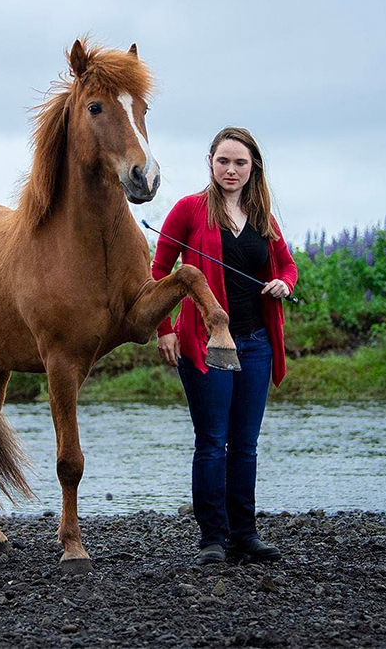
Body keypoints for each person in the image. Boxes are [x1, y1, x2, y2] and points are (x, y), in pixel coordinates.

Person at [151, 126, 298, 565]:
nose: (231, 170)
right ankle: (212, 538)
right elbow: (159, 272)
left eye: (240, 163)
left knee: (245, 445)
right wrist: (166, 328)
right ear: (210, 163)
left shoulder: (263, 218)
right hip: (205, 341)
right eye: (223, 161)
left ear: (254, 168)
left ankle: (244, 536)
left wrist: (282, 285)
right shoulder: (189, 210)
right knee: (212, 442)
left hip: (255, 344)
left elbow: (287, 266)